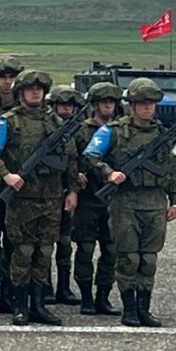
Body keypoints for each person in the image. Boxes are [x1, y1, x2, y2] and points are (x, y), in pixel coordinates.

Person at [83, 77, 176, 327]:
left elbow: (173, 171)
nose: (148, 108)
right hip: (125, 201)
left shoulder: (163, 134)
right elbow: (91, 156)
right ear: (132, 105)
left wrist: (175, 201)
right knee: (128, 258)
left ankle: (143, 309)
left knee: (148, 260)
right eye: (142, 103)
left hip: (155, 202)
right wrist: (108, 172)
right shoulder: (113, 130)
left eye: (151, 104)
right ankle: (128, 309)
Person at [0, 71, 79, 326]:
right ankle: (20, 305)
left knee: (44, 252)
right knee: (22, 252)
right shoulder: (7, 121)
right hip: (21, 198)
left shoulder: (57, 123)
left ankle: (38, 305)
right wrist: (7, 175)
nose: (35, 92)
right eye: (30, 88)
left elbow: (70, 159)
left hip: (50, 198)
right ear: (21, 92)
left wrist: (72, 190)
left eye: (39, 89)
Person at [72, 81, 123, 315]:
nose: (108, 106)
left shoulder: (120, 130)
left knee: (111, 250)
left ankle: (103, 296)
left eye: (112, 102)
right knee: (85, 249)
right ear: (94, 105)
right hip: (87, 199)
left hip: (113, 200)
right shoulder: (80, 130)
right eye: (104, 102)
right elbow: (69, 157)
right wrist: (75, 176)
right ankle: (85, 297)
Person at [46, 85, 86, 306]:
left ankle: (63, 287)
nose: (65, 109)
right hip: (46, 190)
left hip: (68, 190)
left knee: (65, 243)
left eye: (69, 105)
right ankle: (45, 287)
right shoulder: (47, 125)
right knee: (43, 245)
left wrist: (77, 181)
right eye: (61, 105)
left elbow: (84, 156)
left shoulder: (79, 129)